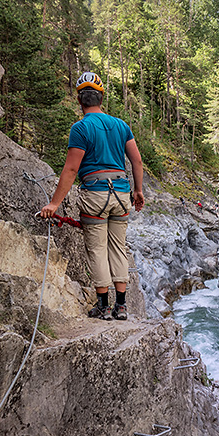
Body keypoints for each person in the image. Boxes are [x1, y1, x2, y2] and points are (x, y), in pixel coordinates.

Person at [40, 72, 144, 321]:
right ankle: (121, 306)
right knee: (118, 248)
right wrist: (138, 191)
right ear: (101, 98)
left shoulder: (81, 128)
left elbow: (72, 169)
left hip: (95, 195)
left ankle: (103, 307)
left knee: (97, 249)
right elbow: (137, 160)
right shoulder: (121, 125)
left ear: (80, 100)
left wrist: (55, 203)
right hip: (121, 194)